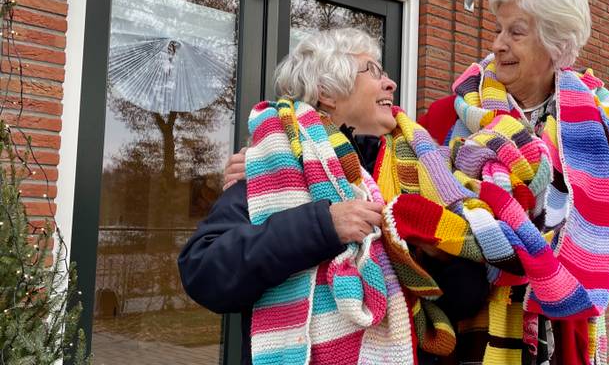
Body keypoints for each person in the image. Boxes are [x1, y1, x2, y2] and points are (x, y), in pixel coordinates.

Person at [178, 28, 489, 365]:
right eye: (373, 70)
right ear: (327, 92)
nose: (390, 84)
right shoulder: (273, 171)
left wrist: (441, 257)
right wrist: (323, 226)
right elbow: (204, 272)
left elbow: (466, 301)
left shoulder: (417, 177)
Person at [417, 0, 609, 365]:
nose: (497, 45)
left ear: (556, 45)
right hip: (470, 336)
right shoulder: (447, 119)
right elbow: (418, 236)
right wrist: (481, 252)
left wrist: (546, 265)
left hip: (560, 341)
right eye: (499, 30)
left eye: (515, 33)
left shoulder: (602, 129)